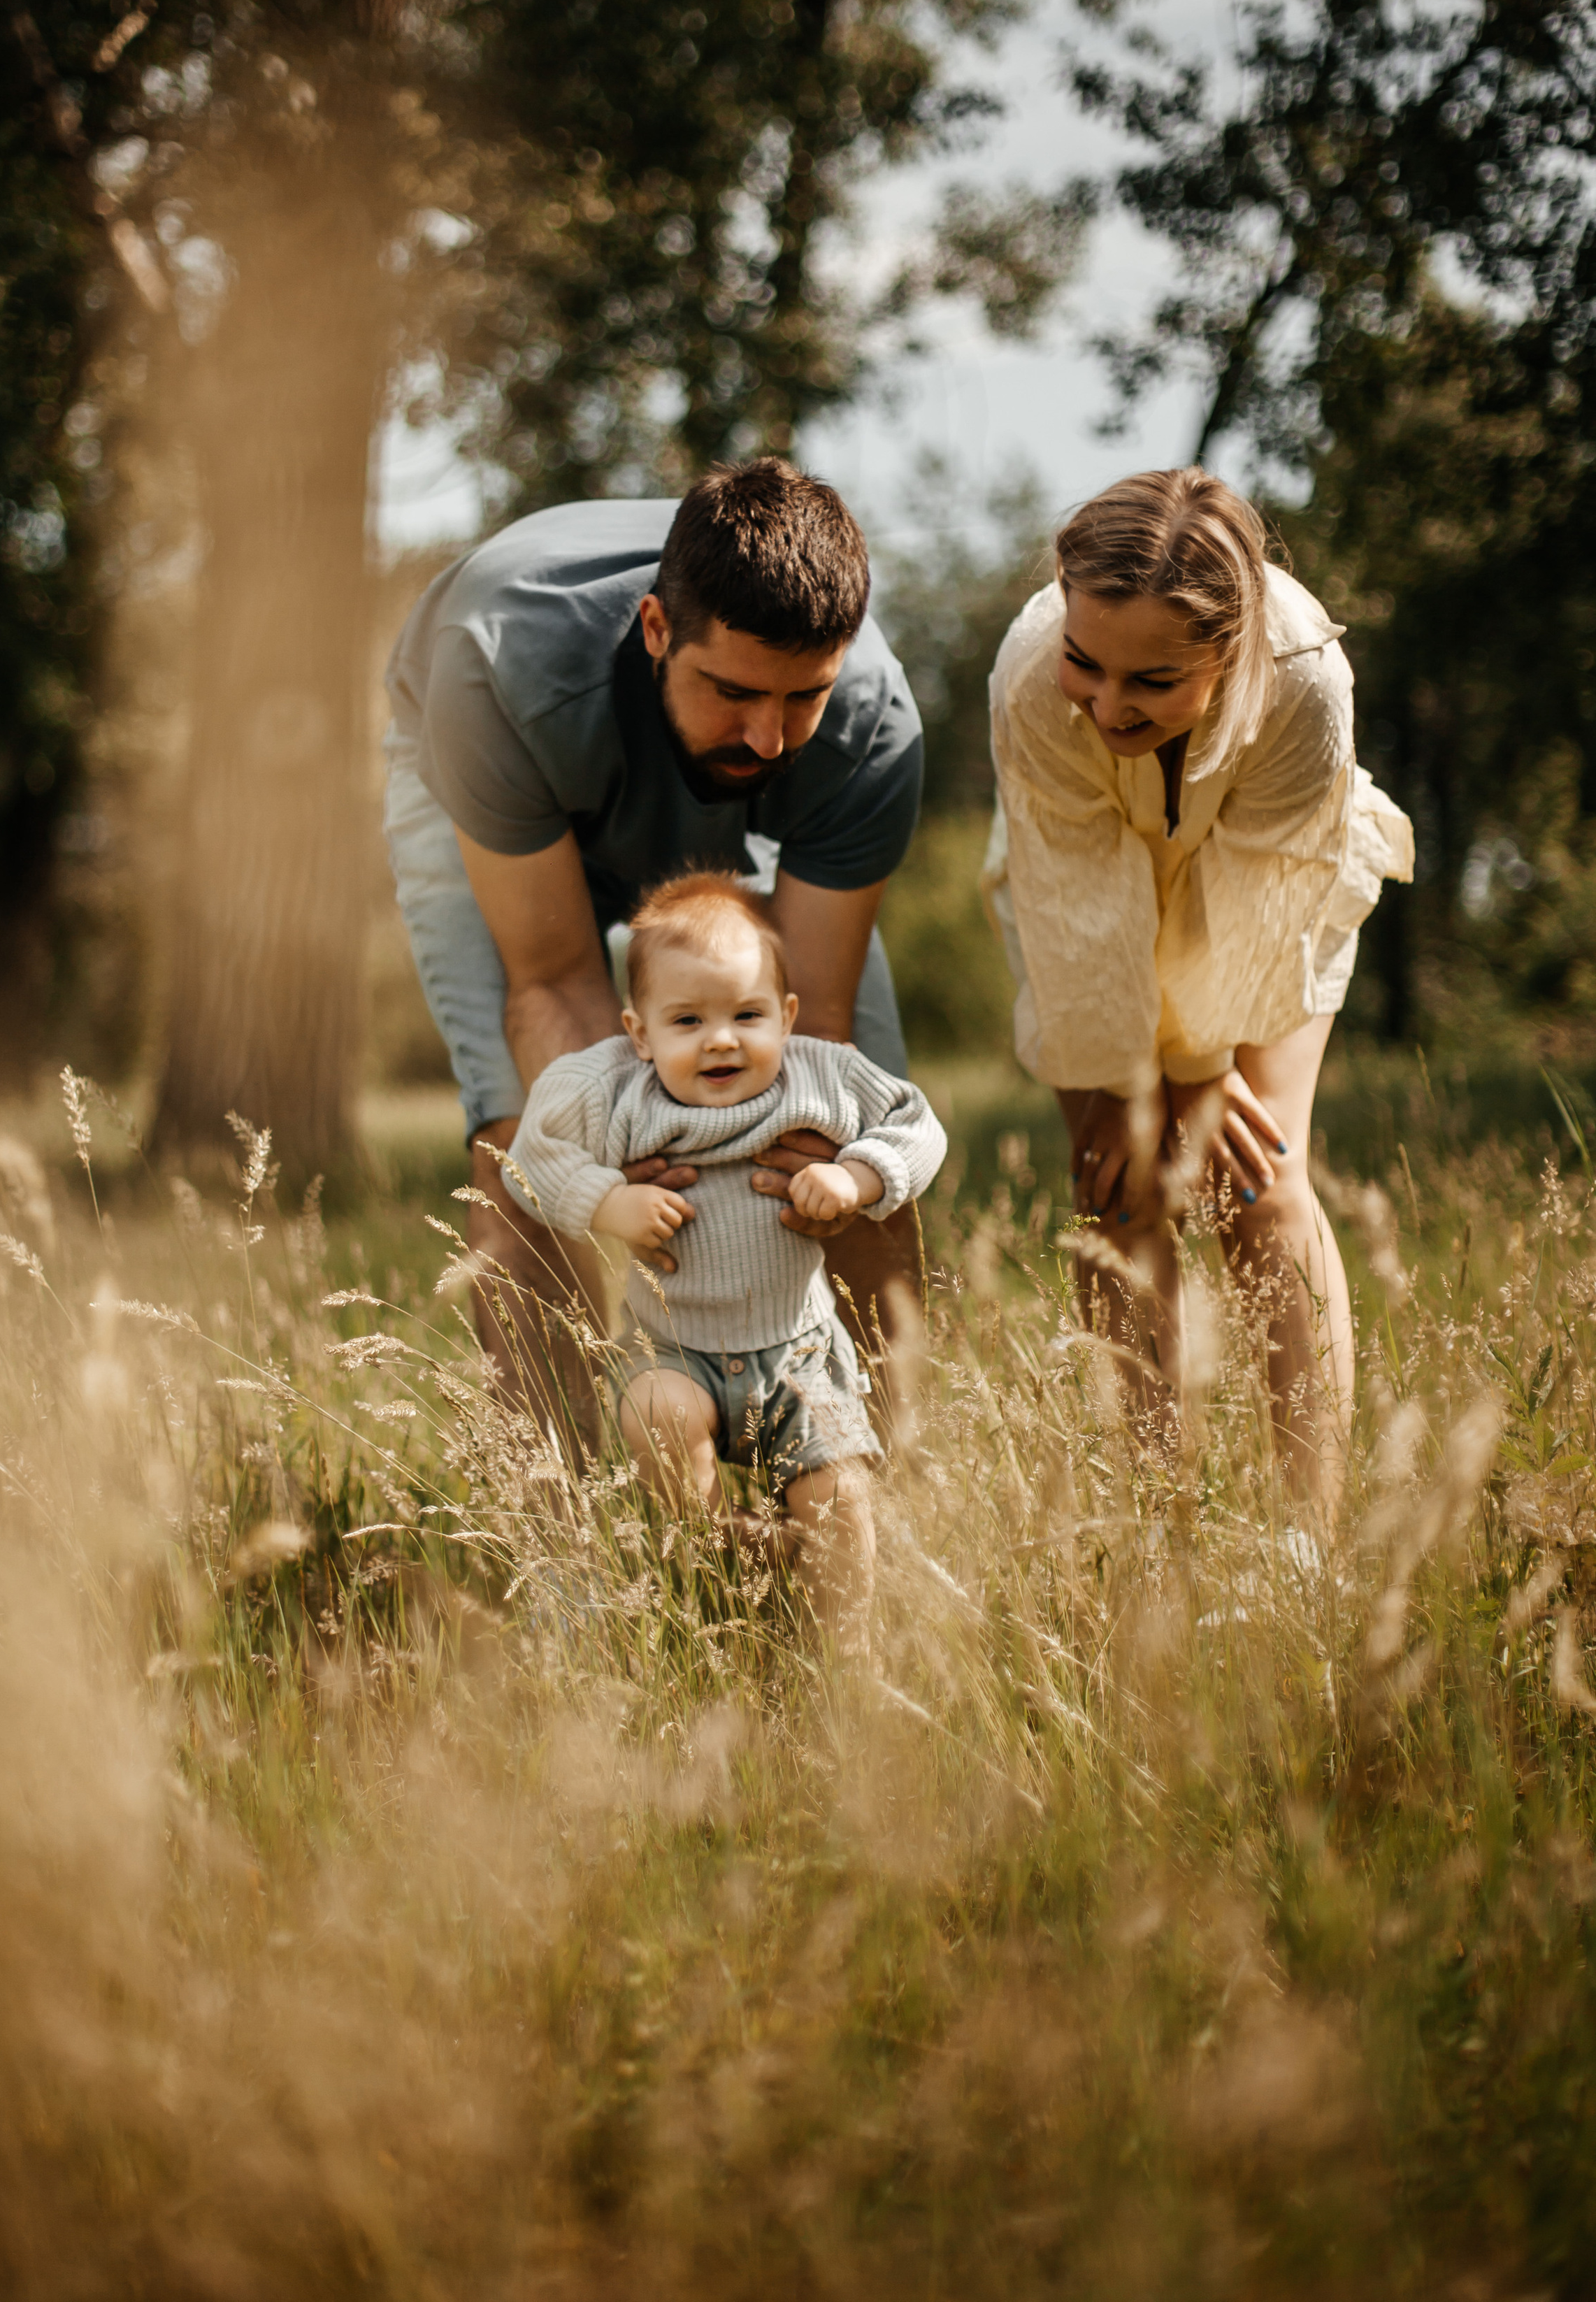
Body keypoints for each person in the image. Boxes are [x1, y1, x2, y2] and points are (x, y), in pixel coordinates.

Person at [382, 458, 927, 1447]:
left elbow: (819, 1038)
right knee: (529, 1145)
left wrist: (796, 1169)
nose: (769, 739)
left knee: (849, 1134)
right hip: (498, 772)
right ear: (656, 629)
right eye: (735, 692)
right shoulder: (496, 661)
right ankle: (570, 1523)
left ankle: (875, 1471)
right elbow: (553, 983)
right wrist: (626, 1182)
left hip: (716, 814)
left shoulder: (868, 728)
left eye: (803, 696)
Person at [983, 466, 1414, 1511]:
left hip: (1271, 893)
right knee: (1121, 1185)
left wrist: (1202, 1074)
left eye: (1153, 682)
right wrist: (1145, 1087)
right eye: (1090, 665)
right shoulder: (1032, 677)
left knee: (1256, 1184)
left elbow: (1266, 893)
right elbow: (1081, 896)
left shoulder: (1305, 678)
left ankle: (1307, 1535)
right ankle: (1153, 1518)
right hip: (1084, 903)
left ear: (1230, 651)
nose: (1108, 703)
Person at [502, 873, 947, 1648]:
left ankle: (847, 1658)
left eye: (747, 1014)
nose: (721, 1039)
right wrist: (607, 1202)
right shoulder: (616, 1092)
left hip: (801, 1351)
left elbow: (917, 1123)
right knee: (658, 1416)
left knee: (840, 1498)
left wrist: (856, 1175)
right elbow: (532, 1153)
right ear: (640, 1035)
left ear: (787, 1016)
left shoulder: (820, 1075)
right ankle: (724, 1561)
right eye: (688, 1020)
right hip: (672, 1350)